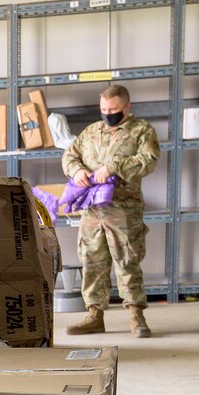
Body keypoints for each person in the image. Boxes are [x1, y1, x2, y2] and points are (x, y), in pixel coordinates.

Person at [61, 83, 161, 337]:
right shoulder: (91, 132)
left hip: (123, 210)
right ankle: (94, 315)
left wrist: (115, 167)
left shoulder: (142, 131)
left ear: (126, 107)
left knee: (127, 261)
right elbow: (69, 156)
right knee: (92, 261)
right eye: (104, 109)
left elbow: (148, 161)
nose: (108, 113)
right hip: (92, 211)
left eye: (113, 109)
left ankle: (136, 316)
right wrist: (77, 171)